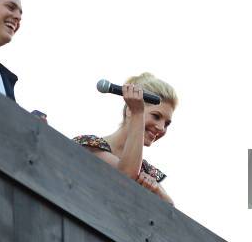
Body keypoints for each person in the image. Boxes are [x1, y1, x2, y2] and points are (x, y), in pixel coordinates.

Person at [73, 73, 177, 205]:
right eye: (156, 116)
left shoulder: (146, 171)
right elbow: (126, 177)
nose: (161, 128)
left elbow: (169, 210)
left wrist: (157, 191)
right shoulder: (90, 145)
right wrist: (138, 113)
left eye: (167, 124)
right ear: (130, 110)